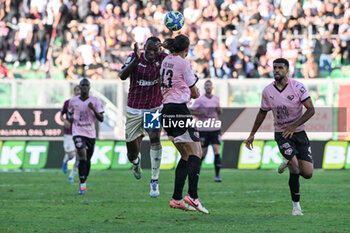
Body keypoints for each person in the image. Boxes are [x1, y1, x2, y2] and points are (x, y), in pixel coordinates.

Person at [245, 58, 315, 216]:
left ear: (287, 70)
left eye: (280, 68)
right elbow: (262, 112)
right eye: (274, 68)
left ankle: (287, 159)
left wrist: (294, 126)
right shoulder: (267, 91)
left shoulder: (297, 87)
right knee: (295, 168)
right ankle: (296, 207)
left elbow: (311, 110)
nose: (276, 70)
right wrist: (252, 134)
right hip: (282, 134)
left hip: (299, 133)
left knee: (308, 173)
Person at [161, 34, 209, 214]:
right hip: (179, 110)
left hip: (166, 111)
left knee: (185, 156)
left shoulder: (166, 60)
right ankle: (193, 196)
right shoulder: (184, 63)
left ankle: (176, 198)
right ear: (187, 48)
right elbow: (195, 92)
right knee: (197, 151)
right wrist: (194, 90)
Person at [119, 36, 167, 198]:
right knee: (132, 153)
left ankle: (154, 181)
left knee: (155, 138)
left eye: (155, 49)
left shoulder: (164, 58)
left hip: (153, 107)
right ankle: (136, 163)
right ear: (144, 48)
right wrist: (135, 61)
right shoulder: (134, 56)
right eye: (149, 49)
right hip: (134, 108)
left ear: (160, 49)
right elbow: (122, 76)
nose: (152, 52)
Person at [68, 78, 104, 194]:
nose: (84, 87)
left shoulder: (95, 101)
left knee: (87, 159)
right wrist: (70, 118)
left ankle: (83, 179)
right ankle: (82, 184)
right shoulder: (73, 101)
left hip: (90, 133)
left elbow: (101, 118)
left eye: (86, 85)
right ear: (79, 87)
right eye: (82, 85)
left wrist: (93, 109)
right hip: (78, 132)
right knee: (82, 155)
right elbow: (70, 112)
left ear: (89, 87)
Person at [191, 79, 222, 182]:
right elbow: (191, 111)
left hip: (215, 128)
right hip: (204, 129)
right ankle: (196, 174)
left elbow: (219, 112)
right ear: (204, 88)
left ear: (212, 87)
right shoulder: (200, 99)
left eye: (210, 85)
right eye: (207, 85)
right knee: (203, 153)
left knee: (216, 150)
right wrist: (201, 113)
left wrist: (219, 110)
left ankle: (217, 176)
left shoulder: (216, 99)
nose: (208, 87)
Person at [61, 85, 80, 182]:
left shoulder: (86, 103)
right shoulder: (68, 103)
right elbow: (61, 115)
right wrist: (64, 121)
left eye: (80, 90)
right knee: (71, 155)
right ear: (74, 91)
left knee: (79, 156)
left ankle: (72, 175)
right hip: (69, 132)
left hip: (81, 132)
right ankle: (65, 160)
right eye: (77, 90)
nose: (78, 92)